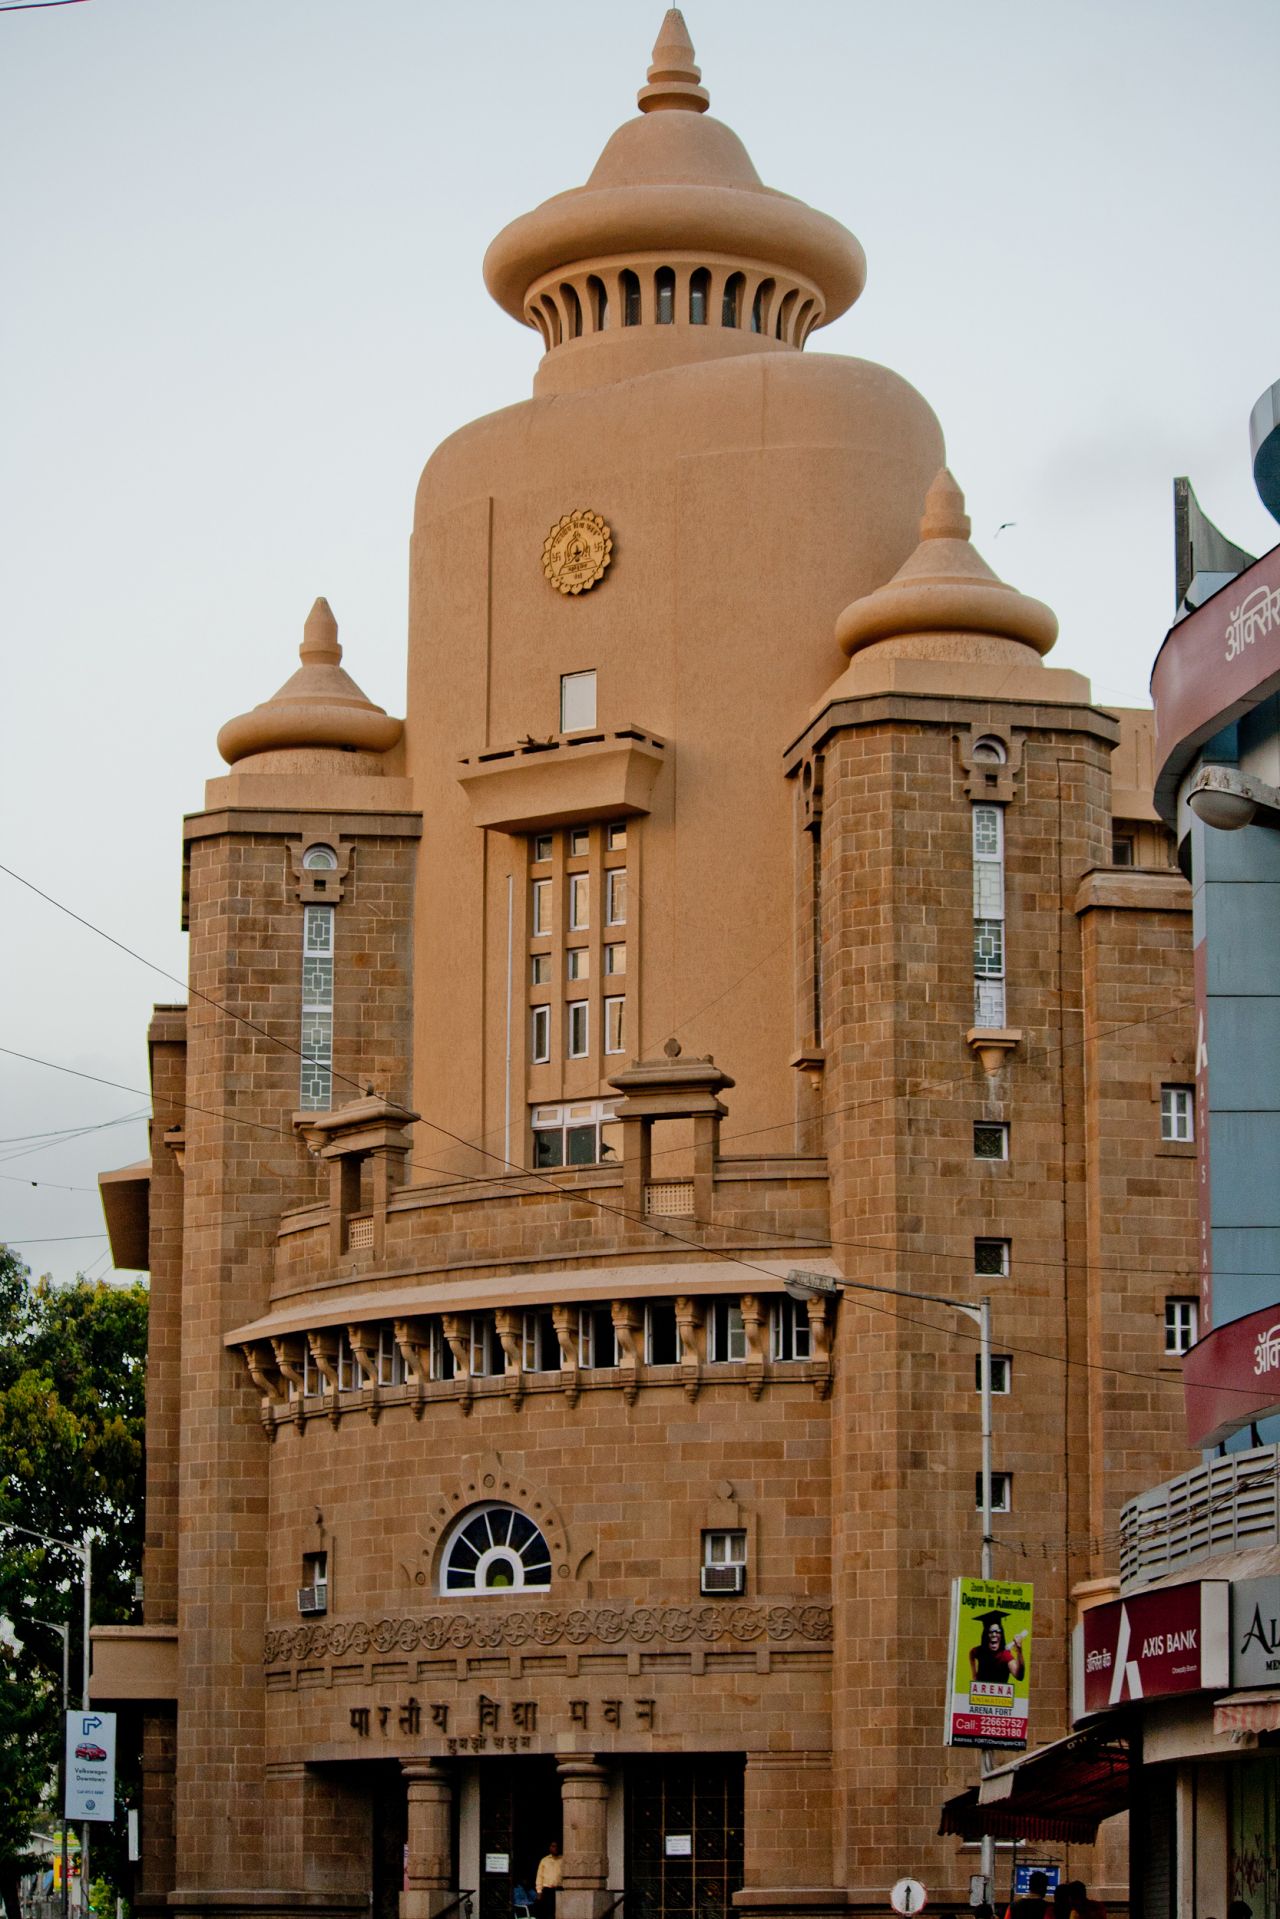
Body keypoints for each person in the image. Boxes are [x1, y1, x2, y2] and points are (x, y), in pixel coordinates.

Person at [970, 1608, 1028, 1685]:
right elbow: (972, 1653)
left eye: (998, 1631)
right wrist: (974, 1673)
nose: (994, 1635)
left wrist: (1019, 1651)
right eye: (990, 1631)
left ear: (1001, 1635)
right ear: (985, 1636)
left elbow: (1019, 1676)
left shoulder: (1005, 1656)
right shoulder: (980, 1651)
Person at [535, 1840, 562, 1917]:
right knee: (548, 1912)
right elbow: (539, 1876)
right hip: (548, 1891)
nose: (555, 1848)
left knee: (559, 1913)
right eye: (553, 1846)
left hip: (560, 1889)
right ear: (550, 1848)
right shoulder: (544, 1860)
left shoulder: (563, 1860)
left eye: (556, 1846)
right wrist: (539, 1891)